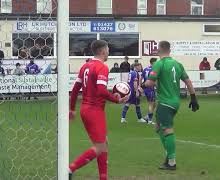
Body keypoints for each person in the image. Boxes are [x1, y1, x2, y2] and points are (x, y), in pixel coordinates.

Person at [68, 40, 128, 180]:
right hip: (94, 110)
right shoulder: (102, 67)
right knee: (100, 147)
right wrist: (116, 99)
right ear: (102, 51)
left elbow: (75, 89)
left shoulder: (85, 66)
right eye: (107, 49)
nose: (108, 52)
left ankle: (103, 177)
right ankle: (70, 169)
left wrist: (72, 109)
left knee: (103, 144)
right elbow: (101, 90)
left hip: (85, 109)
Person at [142, 41, 199, 170]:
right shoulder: (177, 64)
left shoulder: (159, 64)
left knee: (167, 129)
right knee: (158, 127)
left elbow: (150, 83)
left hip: (165, 103)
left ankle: (171, 161)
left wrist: (142, 85)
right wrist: (193, 98)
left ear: (159, 50)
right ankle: (169, 154)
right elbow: (188, 81)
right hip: (174, 103)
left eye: (157, 48)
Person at [141, 58, 157, 124]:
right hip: (150, 88)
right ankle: (149, 120)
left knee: (154, 103)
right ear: (153, 63)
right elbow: (154, 80)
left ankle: (148, 116)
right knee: (151, 104)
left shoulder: (145, 69)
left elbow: (141, 78)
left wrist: (140, 86)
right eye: (156, 62)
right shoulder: (153, 69)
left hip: (146, 88)